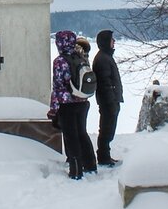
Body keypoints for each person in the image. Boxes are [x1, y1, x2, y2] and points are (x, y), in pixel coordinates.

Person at [47, 30, 96, 180]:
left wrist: (53, 109)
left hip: (67, 104)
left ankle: (75, 170)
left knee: (71, 136)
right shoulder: (80, 57)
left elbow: (58, 87)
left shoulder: (60, 61)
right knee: (82, 133)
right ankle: (90, 165)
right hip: (82, 101)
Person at [93, 29, 124, 166]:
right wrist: (111, 100)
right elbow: (105, 83)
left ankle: (105, 155)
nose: (114, 41)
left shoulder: (105, 57)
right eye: (112, 39)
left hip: (111, 100)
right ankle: (103, 157)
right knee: (106, 129)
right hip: (108, 101)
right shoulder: (102, 59)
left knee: (109, 128)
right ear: (106, 42)